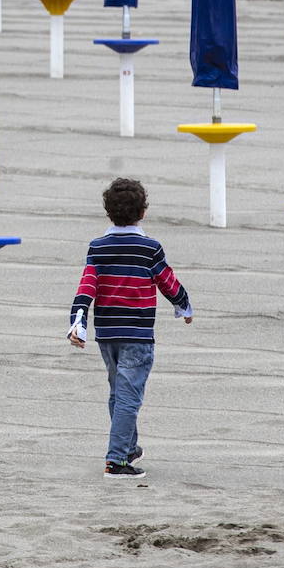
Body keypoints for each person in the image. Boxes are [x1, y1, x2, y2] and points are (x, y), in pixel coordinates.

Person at [67, 178, 193, 478]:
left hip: (107, 335)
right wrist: (183, 305)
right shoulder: (149, 248)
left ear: (108, 212)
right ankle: (116, 460)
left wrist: (78, 320)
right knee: (128, 396)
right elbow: (167, 281)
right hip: (137, 334)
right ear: (143, 212)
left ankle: (128, 447)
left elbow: (87, 285)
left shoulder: (97, 247)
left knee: (118, 392)